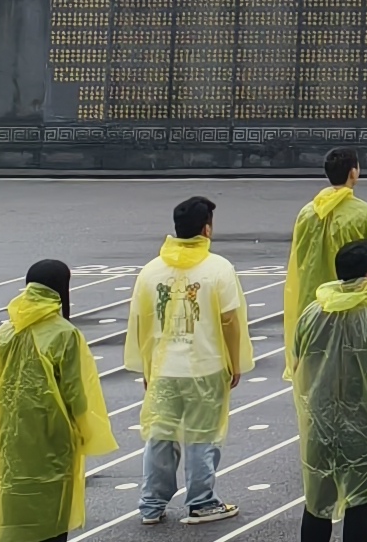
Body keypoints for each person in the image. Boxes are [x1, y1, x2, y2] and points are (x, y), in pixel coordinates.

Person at [129, 195, 248, 526]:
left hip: (164, 367)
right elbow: (229, 321)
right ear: (206, 229)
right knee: (202, 435)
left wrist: (147, 366)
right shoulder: (218, 268)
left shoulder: (151, 271)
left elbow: (142, 322)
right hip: (205, 366)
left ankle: (151, 504)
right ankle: (201, 501)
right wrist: (234, 362)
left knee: (160, 435)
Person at [0, 258, 115, 542]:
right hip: (52, 440)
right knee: (52, 517)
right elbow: (77, 393)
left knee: (15, 513)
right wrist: (87, 432)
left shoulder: (5, 332)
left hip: (10, 440)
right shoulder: (64, 334)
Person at [292, 239, 367, 542]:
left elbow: (298, 365)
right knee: (361, 504)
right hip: (365, 423)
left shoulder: (311, 313)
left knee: (317, 504)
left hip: (320, 422)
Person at [284, 153, 367, 438]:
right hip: (354, 304)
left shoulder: (307, 213)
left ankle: (323, 432)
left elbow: (299, 263)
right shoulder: (364, 213)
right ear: (353, 173)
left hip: (315, 306)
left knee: (320, 375)